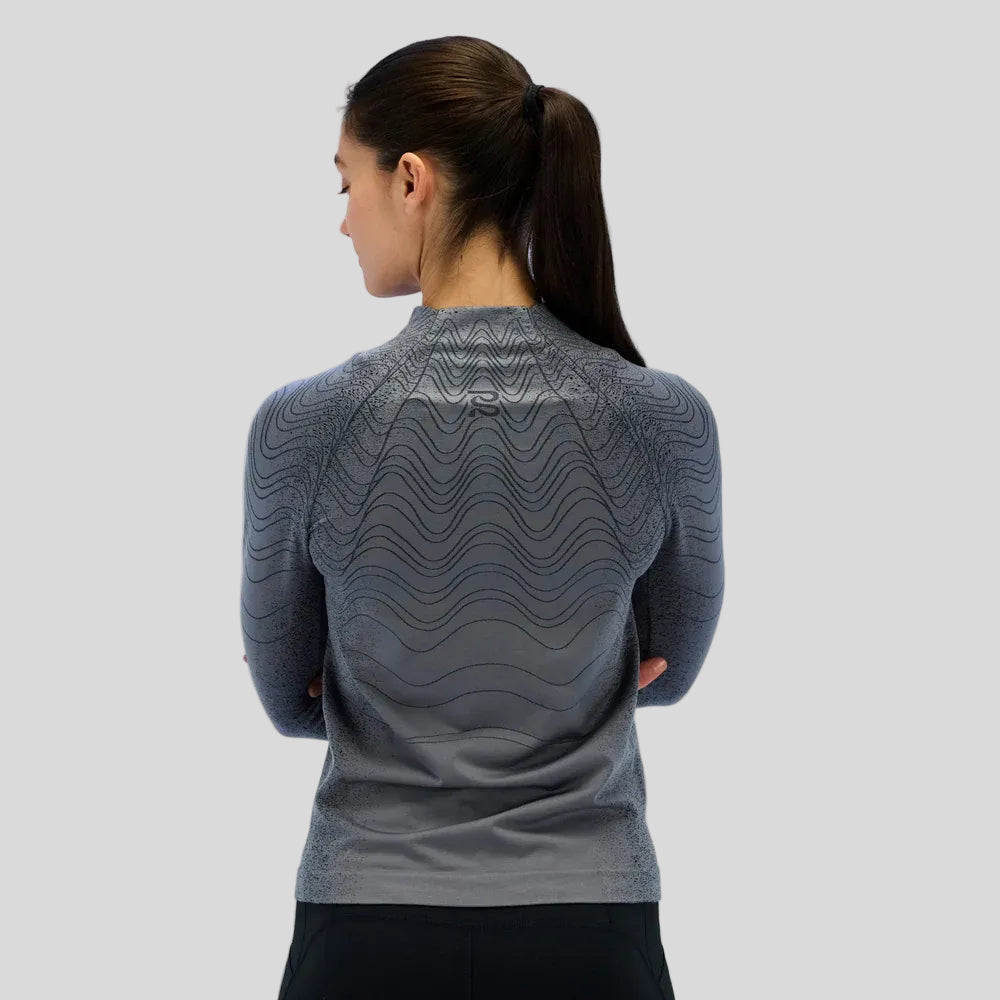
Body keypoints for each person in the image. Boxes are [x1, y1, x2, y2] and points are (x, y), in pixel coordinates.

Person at [240, 34, 725, 1000]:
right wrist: (570, 676)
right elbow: (667, 672)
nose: (343, 220)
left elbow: (289, 697)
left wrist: (382, 681)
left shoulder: (306, 426)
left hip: (366, 925)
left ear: (410, 179)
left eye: (346, 183)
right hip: (591, 927)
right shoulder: (664, 418)